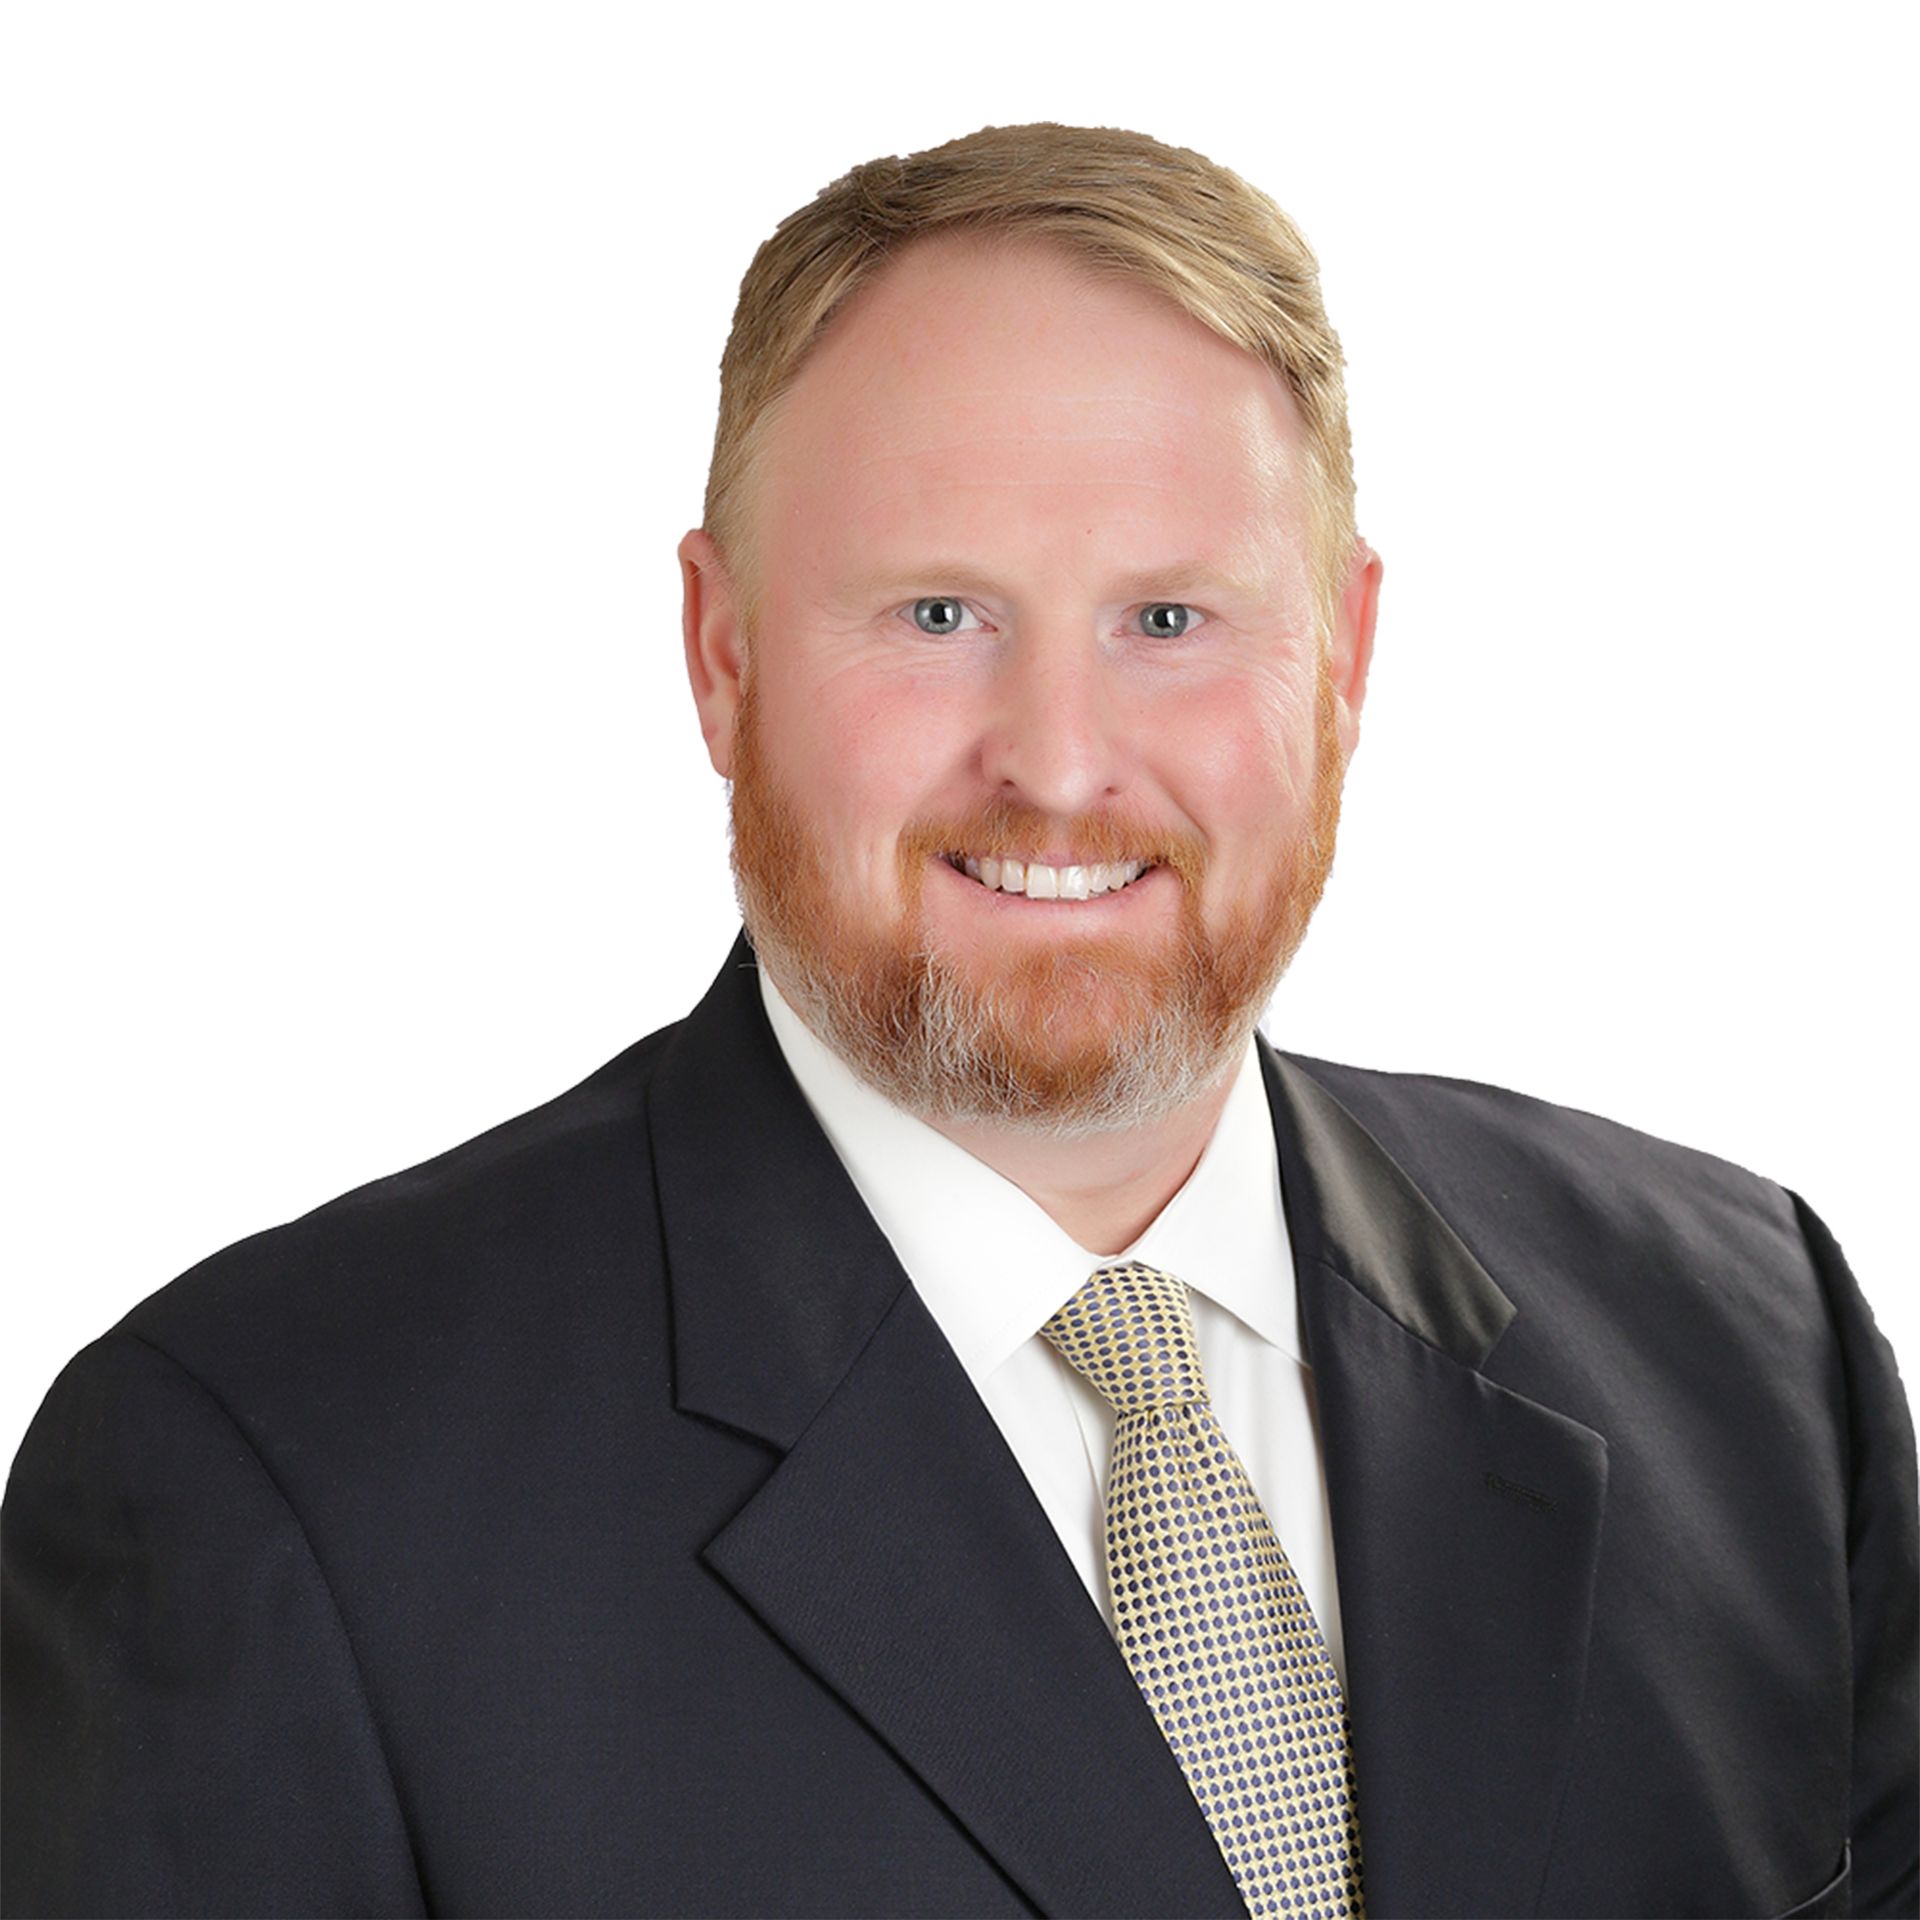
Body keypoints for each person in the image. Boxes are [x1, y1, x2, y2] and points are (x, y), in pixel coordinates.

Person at [3, 120, 1913, 1920]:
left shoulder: (1751, 1349)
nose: (1060, 766)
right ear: (721, 654)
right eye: (936, 616)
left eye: (1170, 621)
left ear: (1344, 659)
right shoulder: (264, 1479)